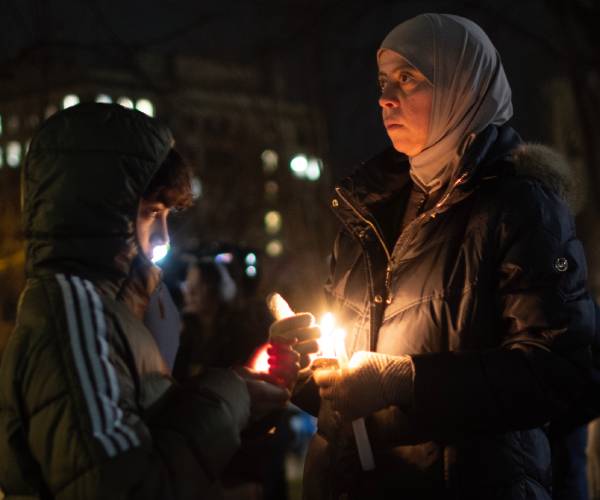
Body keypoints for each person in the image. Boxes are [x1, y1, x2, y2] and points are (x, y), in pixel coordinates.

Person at [271, 13, 600, 500]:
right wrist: (304, 367)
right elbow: (341, 394)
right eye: (383, 82)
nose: (386, 97)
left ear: (462, 86)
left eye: (409, 79)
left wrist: (406, 381)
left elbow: (560, 371)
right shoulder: (370, 211)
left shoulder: (521, 206)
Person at [0, 103, 291, 499]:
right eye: (151, 213)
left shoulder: (111, 312)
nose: (164, 239)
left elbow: (152, 436)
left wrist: (244, 398)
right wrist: (229, 399)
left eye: (168, 214)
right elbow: (125, 489)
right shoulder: (74, 314)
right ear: (97, 211)